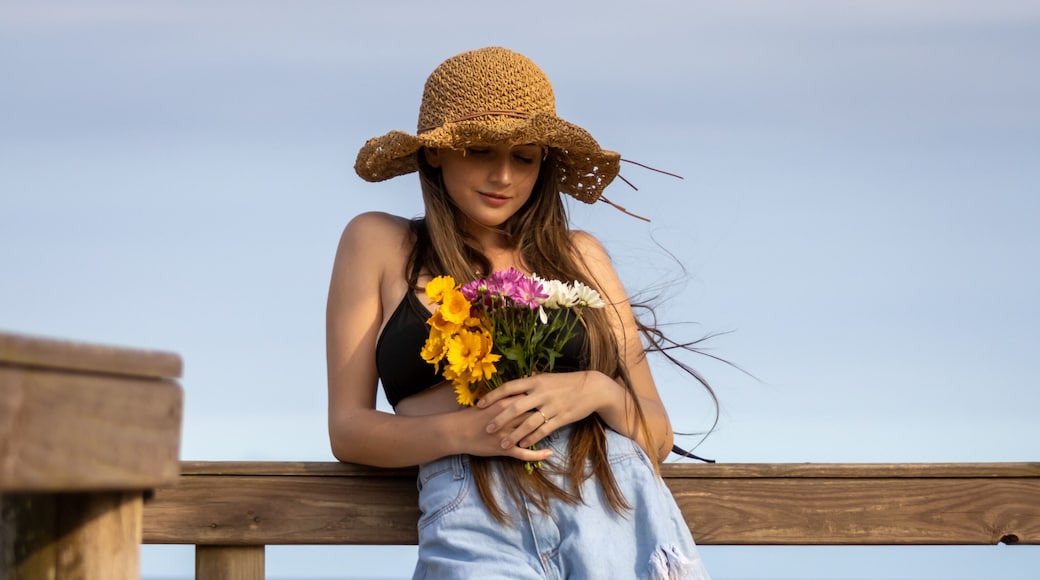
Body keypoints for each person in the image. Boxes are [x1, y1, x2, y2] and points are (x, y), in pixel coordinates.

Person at [327, 46, 713, 579]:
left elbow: (657, 435)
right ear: (436, 153)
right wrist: (467, 432)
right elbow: (348, 430)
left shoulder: (580, 255)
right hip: (471, 509)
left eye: (524, 157)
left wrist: (595, 390)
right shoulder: (377, 242)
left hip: (613, 503)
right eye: (481, 150)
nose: (503, 176)